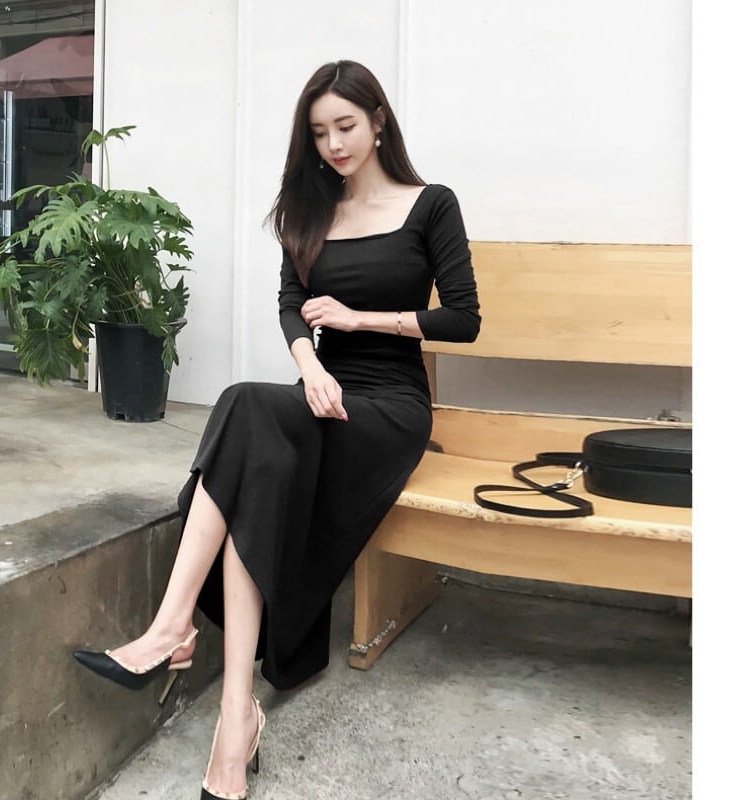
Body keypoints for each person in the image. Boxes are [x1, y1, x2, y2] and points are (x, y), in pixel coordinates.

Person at [73, 59, 481, 800]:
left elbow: (463, 318)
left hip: (390, 407)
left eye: (345, 126)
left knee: (244, 411)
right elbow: (292, 304)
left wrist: (359, 320)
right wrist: (311, 364)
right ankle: (234, 718)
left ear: (378, 121)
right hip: (323, 391)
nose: (334, 145)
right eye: (319, 133)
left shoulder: (431, 205)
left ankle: (173, 632)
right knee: (254, 437)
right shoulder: (309, 209)